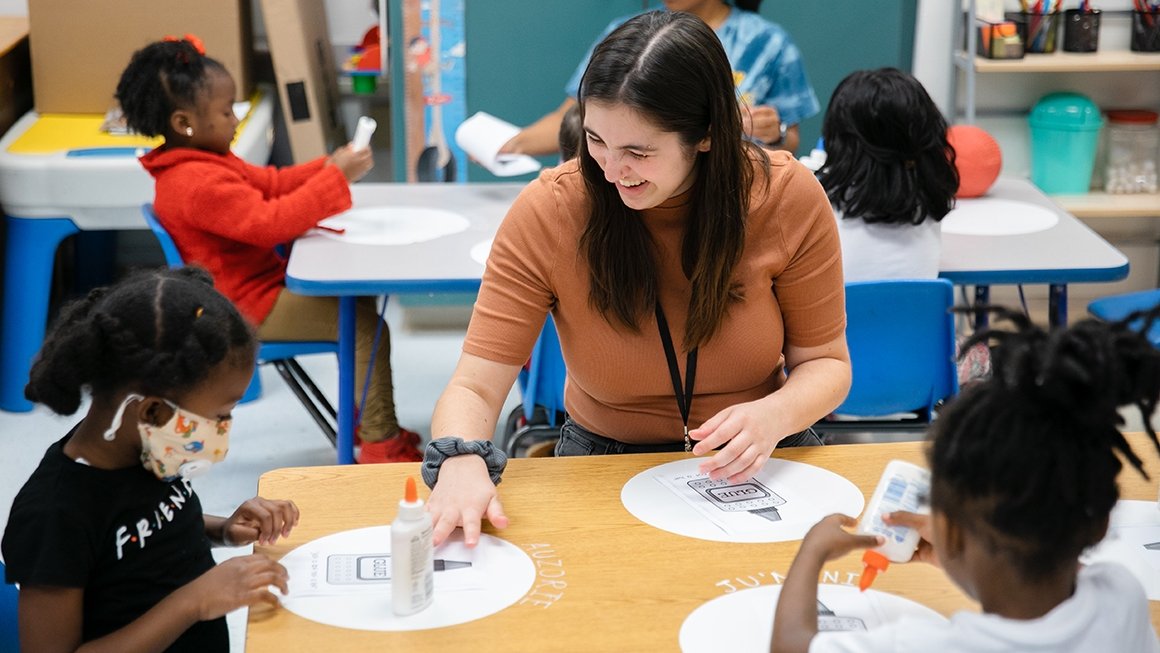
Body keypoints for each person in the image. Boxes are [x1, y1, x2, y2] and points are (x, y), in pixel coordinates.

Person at [424, 11, 850, 547]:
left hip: (765, 454)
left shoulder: (785, 198)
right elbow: (474, 386)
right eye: (597, 140)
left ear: (707, 137)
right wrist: (462, 458)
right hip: (605, 455)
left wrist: (774, 415)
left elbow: (827, 364)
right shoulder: (551, 210)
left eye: (638, 153)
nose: (609, 169)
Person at [771, 307, 1160, 653]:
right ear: (1100, 521)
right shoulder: (1121, 596)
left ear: (954, 534)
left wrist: (812, 553)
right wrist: (964, 548)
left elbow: (791, 646)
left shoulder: (923, 643)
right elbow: (1042, 571)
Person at [114, 36, 420, 464]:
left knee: (358, 300)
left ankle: (367, 422)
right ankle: (380, 448)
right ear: (184, 122)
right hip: (244, 309)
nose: (235, 119)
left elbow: (271, 183)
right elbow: (269, 222)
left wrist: (328, 165)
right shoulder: (195, 183)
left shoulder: (202, 161)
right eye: (227, 111)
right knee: (366, 328)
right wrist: (336, 180)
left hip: (258, 291)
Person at [2, 267, 299, 652]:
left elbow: (143, 533)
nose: (225, 426)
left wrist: (222, 530)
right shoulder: (55, 515)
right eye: (221, 414)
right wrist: (195, 602)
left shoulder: (147, 449)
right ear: (153, 413)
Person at [499, 0, 819, 157]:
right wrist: (505, 144)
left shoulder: (769, 43)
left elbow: (788, 138)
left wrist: (772, 132)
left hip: (728, 201)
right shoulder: (627, 33)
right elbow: (572, 117)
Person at [818, 68, 959, 282]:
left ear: (841, 141)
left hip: (844, 315)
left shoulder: (821, 205)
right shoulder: (929, 204)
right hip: (917, 315)